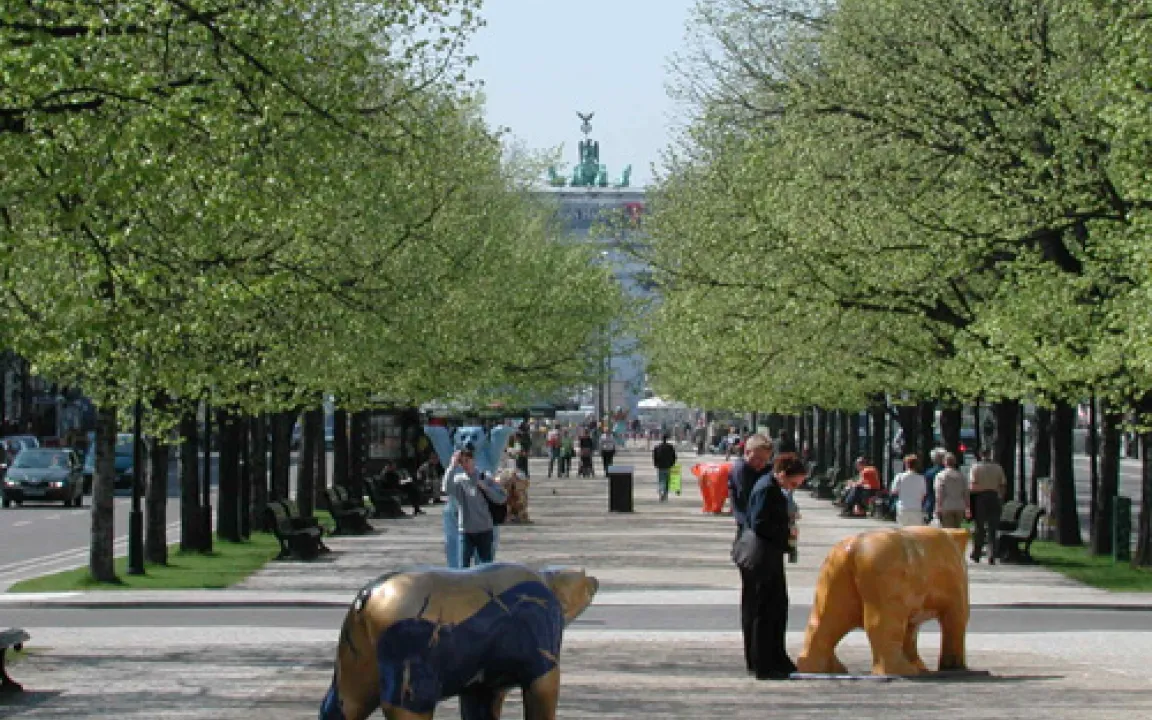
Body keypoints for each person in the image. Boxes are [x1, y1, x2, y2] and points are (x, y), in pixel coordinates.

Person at [743, 451, 806, 679]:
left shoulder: (770, 487)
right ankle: (764, 661)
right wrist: (785, 531)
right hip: (763, 554)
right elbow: (760, 523)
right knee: (766, 608)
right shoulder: (767, 489)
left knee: (776, 606)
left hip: (768, 553)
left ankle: (774, 657)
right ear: (781, 474)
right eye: (792, 483)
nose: (793, 488)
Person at [727, 433, 775, 674]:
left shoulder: (762, 473)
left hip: (755, 538)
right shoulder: (742, 472)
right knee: (753, 599)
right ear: (746, 453)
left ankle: (760, 654)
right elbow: (747, 508)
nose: (759, 464)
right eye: (756, 459)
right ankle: (754, 656)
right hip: (749, 539)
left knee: (759, 600)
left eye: (764, 461)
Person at [446, 448, 507, 567]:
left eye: (467, 460)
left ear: (473, 460)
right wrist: (452, 466)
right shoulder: (459, 480)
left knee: (486, 567)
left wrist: (485, 488)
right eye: (462, 462)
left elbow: (501, 498)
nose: (465, 464)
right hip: (465, 530)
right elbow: (446, 487)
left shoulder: (485, 476)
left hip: (485, 529)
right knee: (463, 567)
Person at [968, 449, 1006, 564]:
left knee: (979, 527)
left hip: (981, 498)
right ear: (990, 454)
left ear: (980, 455)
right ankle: (992, 554)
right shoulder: (998, 467)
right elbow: (1003, 484)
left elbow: (972, 485)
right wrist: (1000, 497)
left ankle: (977, 553)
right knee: (992, 528)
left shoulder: (976, 467)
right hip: (994, 496)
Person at [891, 454, 928, 526]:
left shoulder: (899, 477)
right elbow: (923, 494)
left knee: (903, 531)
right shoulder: (921, 478)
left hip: (903, 507)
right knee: (915, 533)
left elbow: (894, 491)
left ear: (906, 464)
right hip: (916, 508)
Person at [934, 452, 968, 529]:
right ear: (955, 462)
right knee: (957, 530)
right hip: (960, 506)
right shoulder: (962, 476)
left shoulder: (940, 476)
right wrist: (967, 507)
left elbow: (939, 492)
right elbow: (966, 493)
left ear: (944, 462)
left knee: (948, 531)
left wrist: (938, 507)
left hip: (946, 506)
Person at [652, 434, 678, 501]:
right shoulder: (670, 447)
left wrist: (656, 464)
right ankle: (665, 494)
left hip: (660, 466)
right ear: (667, 439)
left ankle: (661, 493)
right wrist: (672, 464)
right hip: (668, 466)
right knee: (667, 481)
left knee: (661, 480)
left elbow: (654, 457)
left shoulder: (657, 447)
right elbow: (674, 457)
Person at [922, 448, 946, 518]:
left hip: (931, 503)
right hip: (947, 505)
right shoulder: (951, 473)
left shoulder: (929, 473)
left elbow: (925, 490)